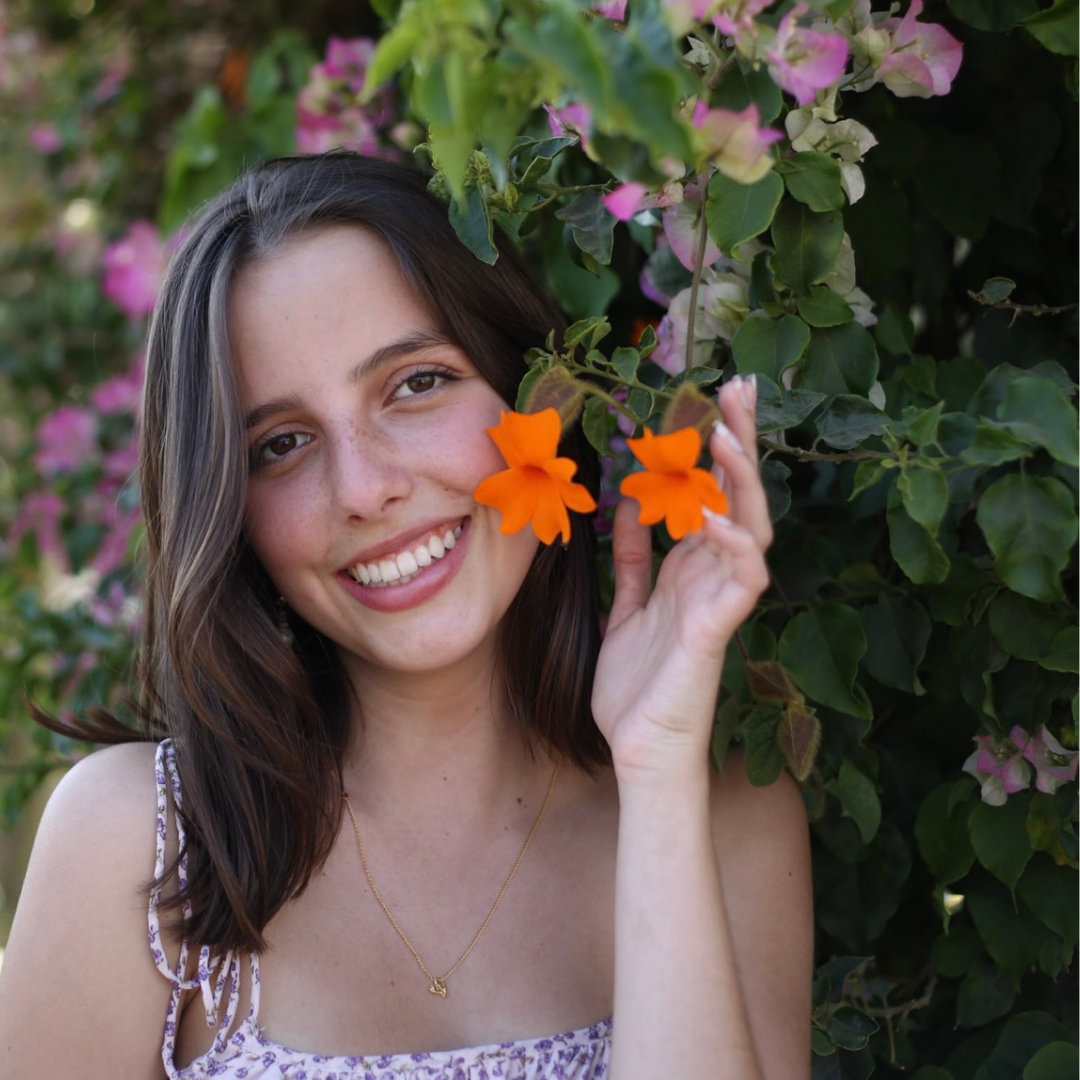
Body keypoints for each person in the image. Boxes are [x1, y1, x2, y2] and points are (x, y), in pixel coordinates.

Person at [0, 153, 812, 1079]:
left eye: (416, 384)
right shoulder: (138, 846)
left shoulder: (728, 819)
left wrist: (658, 765)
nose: (364, 488)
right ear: (231, 512)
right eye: (282, 443)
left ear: (536, 397)